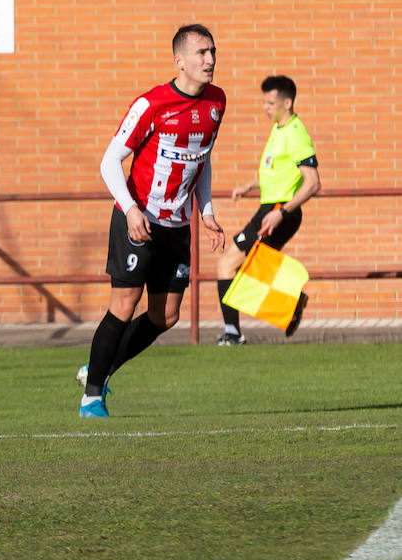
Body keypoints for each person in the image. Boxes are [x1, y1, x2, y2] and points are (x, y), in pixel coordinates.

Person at [78, 24, 227, 418]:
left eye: (212, 52)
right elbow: (110, 161)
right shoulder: (151, 104)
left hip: (177, 227)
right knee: (124, 305)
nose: (210, 60)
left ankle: (99, 367)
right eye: (201, 53)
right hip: (138, 219)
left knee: (167, 316)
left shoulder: (217, 102)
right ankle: (92, 395)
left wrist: (207, 212)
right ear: (180, 61)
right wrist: (129, 209)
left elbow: (202, 159)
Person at [214, 75, 320, 344]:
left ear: (288, 102)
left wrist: (281, 213)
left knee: (229, 264)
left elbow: (312, 183)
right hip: (270, 208)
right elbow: (276, 172)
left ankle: (234, 332)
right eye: (263, 102)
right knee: (243, 265)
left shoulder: (296, 134)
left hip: (277, 211)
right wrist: (249, 185)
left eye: (270, 103)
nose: (265, 108)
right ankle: (290, 302)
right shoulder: (278, 129)